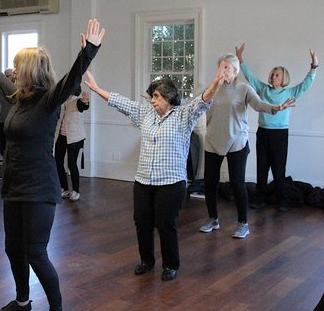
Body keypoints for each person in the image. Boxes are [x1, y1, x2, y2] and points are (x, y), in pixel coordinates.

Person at [0, 19, 105, 311]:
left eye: (17, 67)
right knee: (12, 247)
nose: (13, 72)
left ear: (30, 70)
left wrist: (89, 52)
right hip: (13, 185)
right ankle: (22, 302)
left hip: (40, 188)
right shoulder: (17, 97)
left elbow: (72, 78)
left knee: (36, 252)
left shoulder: (48, 100)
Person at [85, 67, 225, 281]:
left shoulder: (183, 116)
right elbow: (120, 102)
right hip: (143, 181)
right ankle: (146, 260)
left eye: (157, 96)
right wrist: (96, 89)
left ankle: (170, 264)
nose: (153, 100)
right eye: (152, 96)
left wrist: (215, 84)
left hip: (171, 183)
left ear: (169, 97)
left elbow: (202, 101)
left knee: (165, 224)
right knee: (142, 222)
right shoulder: (146, 114)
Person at [198, 54, 295, 239]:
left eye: (226, 67)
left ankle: (243, 223)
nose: (222, 70)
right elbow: (196, 105)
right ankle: (213, 219)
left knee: (237, 183)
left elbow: (258, 105)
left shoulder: (243, 89)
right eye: (221, 66)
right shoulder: (211, 90)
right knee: (210, 183)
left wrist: (275, 108)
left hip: (237, 142)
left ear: (235, 71)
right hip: (213, 140)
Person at [235, 44, 318, 211]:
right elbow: (250, 77)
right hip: (263, 132)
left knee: (279, 168)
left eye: (277, 75)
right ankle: (260, 198)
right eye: (272, 74)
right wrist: (240, 59)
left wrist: (314, 66)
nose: (273, 77)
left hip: (280, 134)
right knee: (262, 166)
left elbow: (306, 84)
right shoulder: (263, 89)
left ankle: (282, 199)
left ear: (283, 78)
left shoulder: (290, 93)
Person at [54, 87, 89, 202]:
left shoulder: (76, 100)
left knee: (71, 164)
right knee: (58, 162)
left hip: (75, 138)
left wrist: (86, 102)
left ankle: (76, 191)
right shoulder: (62, 101)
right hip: (62, 137)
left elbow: (83, 106)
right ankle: (64, 188)